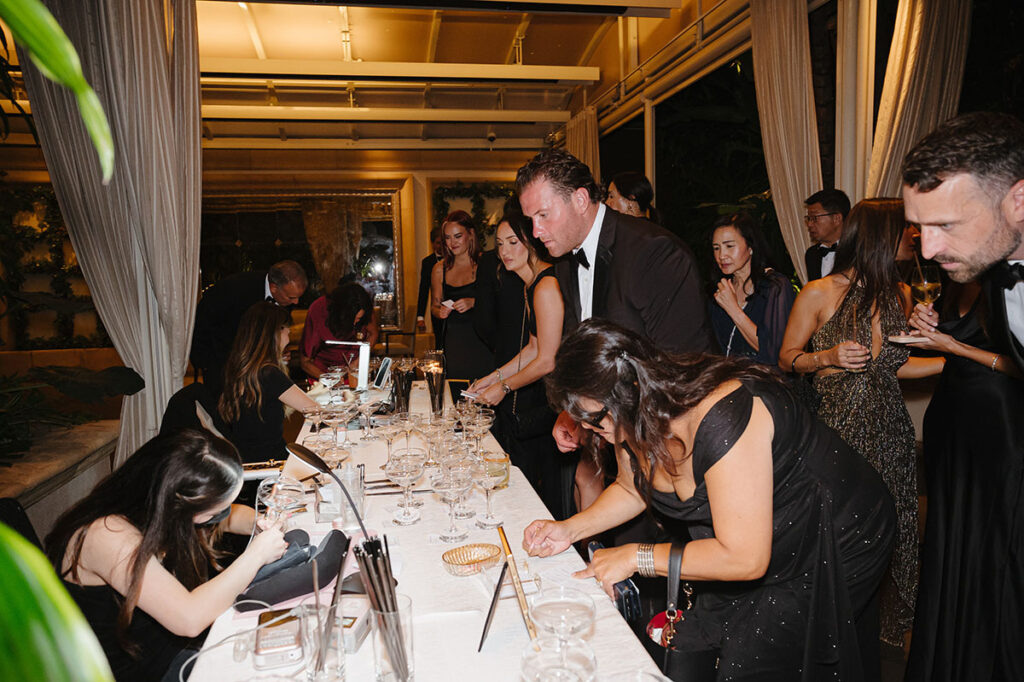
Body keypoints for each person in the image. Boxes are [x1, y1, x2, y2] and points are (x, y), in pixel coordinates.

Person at [523, 319, 896, 681]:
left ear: (630, 389)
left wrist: (635, 557)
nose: (590, 431)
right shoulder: (632, 419)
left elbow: (745, 558)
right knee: (719, 644)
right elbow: (631, 488)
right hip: (749, 540)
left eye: (593, 419)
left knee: (764, 660)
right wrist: (568, 529)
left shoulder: (721, 417)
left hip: (836, 532)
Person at [778, 198, 943, 652]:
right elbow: (788, 358)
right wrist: (827, 357)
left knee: (891, 532)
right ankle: (826, 630)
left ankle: (871, 638)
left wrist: (956, 359)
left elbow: (894, 367)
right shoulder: (818, 291)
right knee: (840, 534)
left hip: (890, 431)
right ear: (878, 237)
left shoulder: (902, 294)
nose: (913, 238)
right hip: (837, 432)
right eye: (904, 231)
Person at [900, 111, 1024, 682]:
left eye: (946, 224)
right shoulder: (997, 272)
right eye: (919, 226)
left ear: (1017, 201)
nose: (927, 248)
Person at [516, 148, 716, 456]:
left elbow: (684, 368)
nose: (536, 231)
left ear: (580, 200)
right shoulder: (567, 261)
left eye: (543, 215)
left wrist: (614, 419)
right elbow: (585, 352)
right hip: (617, 439)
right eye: (531, 219)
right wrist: (575, 412)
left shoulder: (654, 253)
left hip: (676, 440)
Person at [45, 429, 288, 682]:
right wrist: (256, 554)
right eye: (214, 510)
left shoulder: (151, 510)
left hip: (170, 653)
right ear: (178, 503)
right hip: (140, 672)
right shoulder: (107, 535)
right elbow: (189, 618)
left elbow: (229, 517)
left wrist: (259, 522)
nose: (221, 515)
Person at [467, 208, 567, 517]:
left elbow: (547, 360)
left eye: (513, 242)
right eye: (499, 244)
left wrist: (504, 388)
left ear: (531, 241)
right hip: (554, 397)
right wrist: (491, 378)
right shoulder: (530, 284)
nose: (505, 251)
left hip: (565, 398)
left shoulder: (547, 285)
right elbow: (532, 348)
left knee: (561, 489)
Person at [218, 302, 320, 464]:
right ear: (275, 332)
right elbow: (315, 410)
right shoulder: (268, 374)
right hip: (269, 462)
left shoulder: (244, 368)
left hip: (247, 457)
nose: (289, 331)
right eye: (286, 327)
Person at [191, 260, 308, 395]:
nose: (296, 302)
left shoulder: (286, 296)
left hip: (258, 367)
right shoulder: (235, 290)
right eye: (291, 297)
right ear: (274, 287)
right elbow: (202, 323)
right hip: (224, 361)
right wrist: (205, 363)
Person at [708, 211, 795, 365]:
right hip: (725, 381)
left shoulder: (775, 287)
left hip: (764, 383)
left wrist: (733, 309)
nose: (722, 255)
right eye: (716, 248)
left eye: (729, 246)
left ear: (750, 247)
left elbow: (773, 353)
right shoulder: (720, 288)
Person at [430, 210, 494, 382]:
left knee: (483, 398)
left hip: (483, 342)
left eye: (458, 236)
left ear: (470, 234)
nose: (452, 243)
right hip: (454, 343)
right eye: (447, 238)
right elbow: (434, 307)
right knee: (456, 396)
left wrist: (474, 302)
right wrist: (440, 311)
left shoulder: (486, 264)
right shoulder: (439, 269)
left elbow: (500, 304)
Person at [299, 280, 378, 380]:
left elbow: (373, 334)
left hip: (354, 372)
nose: (354, 324)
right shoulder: (318, 310)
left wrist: (358, 361)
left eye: (358, 319)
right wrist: (329, 379)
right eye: (351, 319)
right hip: (323, 373)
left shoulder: (362, 305)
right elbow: (305, 361)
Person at [803, 189, 850, 281]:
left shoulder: (857, 252)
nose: (809, 224)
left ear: (836, 218)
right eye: (809, 218)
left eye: (814, 218)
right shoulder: (812, 254)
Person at [416, 227, 445, 347]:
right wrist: (420, 317)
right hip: (437, 308)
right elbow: (423, 290)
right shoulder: (427, 262)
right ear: (433, 244)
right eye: (438, 243)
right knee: (439, 341)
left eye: (443, 242)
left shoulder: (454, 259)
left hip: (455, 307)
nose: (441, 246)